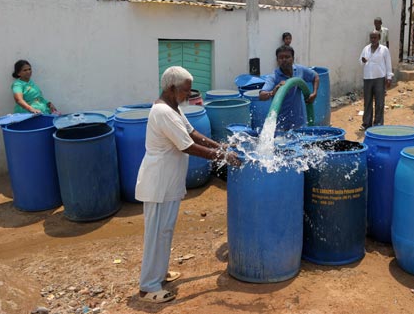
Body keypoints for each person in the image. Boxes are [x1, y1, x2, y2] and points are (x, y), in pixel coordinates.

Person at [136, 66, 240, 304]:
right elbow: (187, 146)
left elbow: (193, 133)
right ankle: (148, 287)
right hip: (158, 183)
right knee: (155, 233)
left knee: (165, 230)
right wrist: (222, 158)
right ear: (171, 89)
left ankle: (159, 274)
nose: (188, 95)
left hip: (168, 182)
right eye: (184, 91)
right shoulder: (163, 112)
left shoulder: (173, 109)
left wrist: (220, 147)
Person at [259, 45, 319, 131]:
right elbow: (261, 95)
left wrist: (314, 93)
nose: (284, 60)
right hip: (281, 125)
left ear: (293, 58)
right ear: (277, 60)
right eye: (281, 58)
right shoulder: (274, 77)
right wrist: (272, 92)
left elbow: (315, 76)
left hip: (299, 122)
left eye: (287, 57)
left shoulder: (300, 70)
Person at [359, 31, 393, 131]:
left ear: (379, 38)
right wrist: (363, 60)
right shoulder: (366, 49)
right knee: (367, 102)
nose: (373, 40)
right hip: (367, 78)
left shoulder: (384, 50)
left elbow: (388, 63)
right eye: (371, 38)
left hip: (379, 78)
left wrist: (389, 77)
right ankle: (366, 124)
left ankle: (378, 124)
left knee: (379, 102)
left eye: (375, 38)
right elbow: (360, 61)